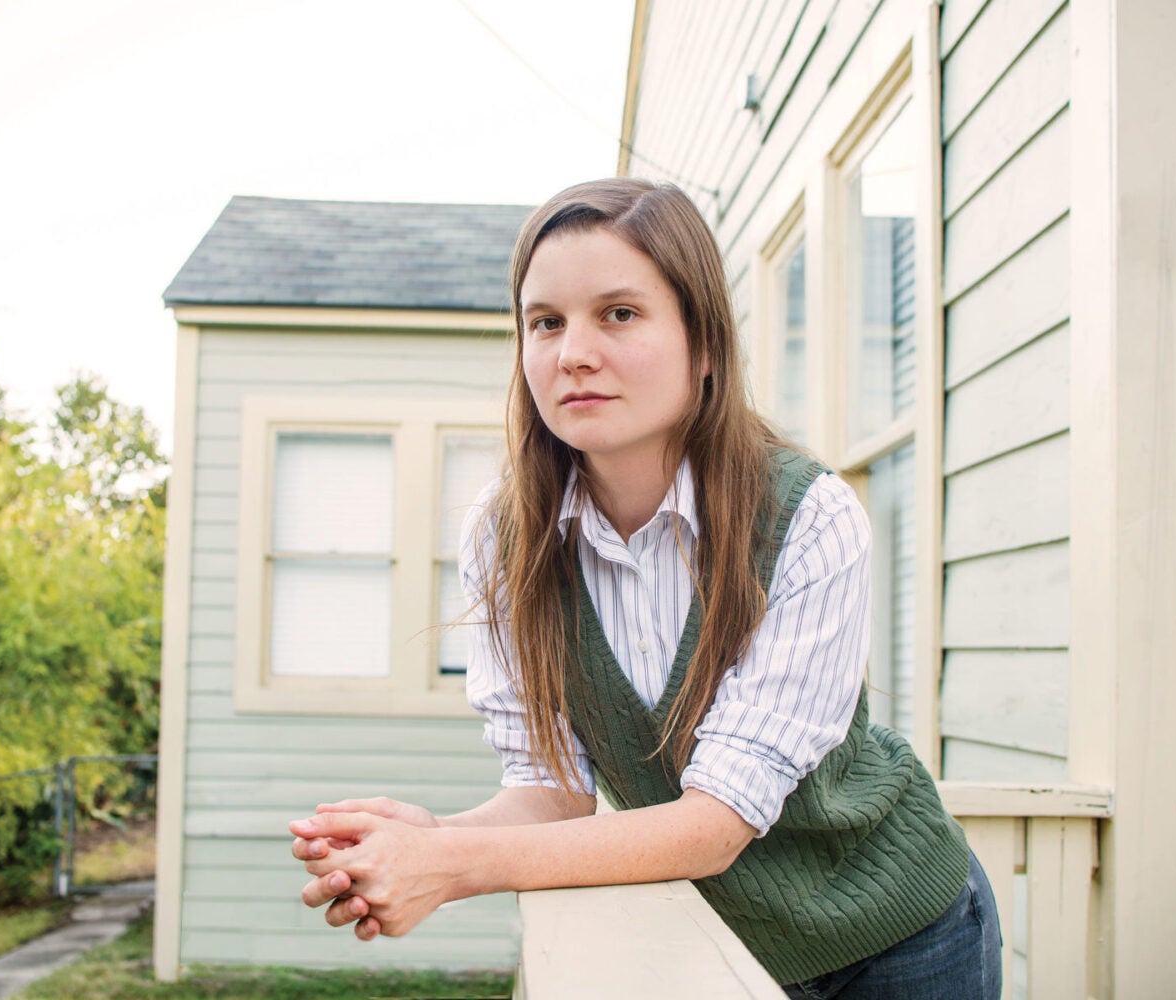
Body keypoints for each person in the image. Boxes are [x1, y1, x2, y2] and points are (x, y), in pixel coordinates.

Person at [289, 178, 1003, 999]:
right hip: (709, 944)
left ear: (703, 346)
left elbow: (713, 826)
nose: (573, 353)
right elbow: (553, 796)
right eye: (545, 322)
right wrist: (424, 838)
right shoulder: (505, 536)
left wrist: (451, 865)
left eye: (619, 314)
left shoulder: (808, 517)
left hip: (900, 935)